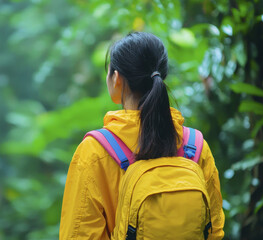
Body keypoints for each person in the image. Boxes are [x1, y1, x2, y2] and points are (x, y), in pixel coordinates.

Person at [59, 32, 225, 239]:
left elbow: (79, 234)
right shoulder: (196, 146)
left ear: (116, 78)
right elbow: (214, 230)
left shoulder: (94, 152)